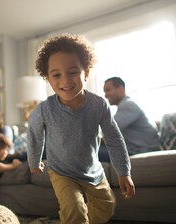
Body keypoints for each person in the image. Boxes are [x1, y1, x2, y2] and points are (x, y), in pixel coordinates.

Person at [27, 33, 135, 223]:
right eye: (56, 75)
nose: (65, 80)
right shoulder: (44, 110)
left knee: (107, 206)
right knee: (74, 210)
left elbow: (114, 139)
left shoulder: (99, 105)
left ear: (86, 72)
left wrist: (123, 171)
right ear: (48, 78)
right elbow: (35, 134)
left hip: (93, 170)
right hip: (61, 172)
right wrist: (34, 162)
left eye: (73, 72)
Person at [100, 77, 160, 162]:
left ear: (120, 89)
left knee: (87, 152)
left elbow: (109, 130)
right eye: (104, 91)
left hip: (141, 150)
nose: (105, 95)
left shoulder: (128, 105)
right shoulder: (126, 105)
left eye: (108, 90)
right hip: (136, 149)